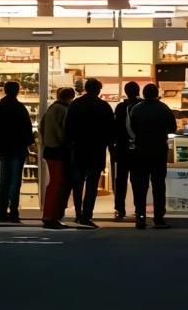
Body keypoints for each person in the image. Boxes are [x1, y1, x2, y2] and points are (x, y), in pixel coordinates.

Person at [64, 77, 116, 226]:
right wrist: (108, 145)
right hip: (96, 149)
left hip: (79, 148)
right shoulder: (103, 106)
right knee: (92, 184)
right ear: (99, 90)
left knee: (77, 184)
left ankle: (78, 213)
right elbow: (110, 129)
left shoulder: (75, 105)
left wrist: (70, 143)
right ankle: (87, 215)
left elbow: (68, 127)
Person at [128, 80, 177, 228]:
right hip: (158, 150)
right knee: (158, 185)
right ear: (157, 94)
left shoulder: (136, 109)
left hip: (141, 150)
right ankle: (158, 218)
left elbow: (131, 128)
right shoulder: (164, 109)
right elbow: (172, 128)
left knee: (140, 186)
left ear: (143, 94)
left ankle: (141, 217)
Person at [0, 80, 35, 223]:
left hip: (3, 148)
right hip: (18, 149)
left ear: (4, 90)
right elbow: (28, 130)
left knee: (4, 180)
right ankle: (13, 211)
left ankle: (1, 212)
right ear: (18, 91)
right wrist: (29, 144)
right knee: (16, 181)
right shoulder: (20, 108)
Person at [40, 85, 76, 227]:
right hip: (59, 151)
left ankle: (50, 214)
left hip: (50, 149)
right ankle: (52, 215)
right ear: (70, 97)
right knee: (59, 182)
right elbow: (63, 131)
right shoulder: (63, 110)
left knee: (54, 182)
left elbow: (42, 127)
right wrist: (68, 143)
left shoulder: (51, 109)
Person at [111, 80, 142, 220]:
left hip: (122, 148)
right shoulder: (142, 106)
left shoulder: (120, 107)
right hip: (139, 148)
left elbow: (115, 127)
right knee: (138, 180)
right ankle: (138, 208)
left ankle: (119, 209)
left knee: (121, 180)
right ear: (138, 91)